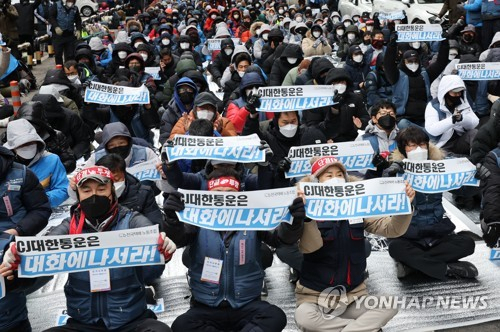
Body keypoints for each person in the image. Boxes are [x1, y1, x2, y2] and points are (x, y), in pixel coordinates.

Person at [2, 165, 176, 332]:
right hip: (82, 322)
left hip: (130, 320)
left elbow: (153, 242)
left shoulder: (131, 221)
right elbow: (41, 254)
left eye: (101, 189)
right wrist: (19, 263)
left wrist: (163, 248)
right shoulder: (69, 227)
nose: (94, 195)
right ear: (78, 195)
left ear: (112, 192)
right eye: (86, 190)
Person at [163, 167, 305, 332]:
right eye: (218, 193)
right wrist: (172, 219)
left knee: (276, 316)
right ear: (208, 195)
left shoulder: (254, 218)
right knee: (182, 325)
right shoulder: (196, 219)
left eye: (230, 192)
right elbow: (178, 238)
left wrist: (293, 222)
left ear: (239, 195)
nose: (224, 197)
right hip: (206, 306)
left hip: (247, 304)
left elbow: (281, 239)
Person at [294, 156, 416, 331]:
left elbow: (392, 230)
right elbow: (309, 247)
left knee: (389, 304)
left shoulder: (359, 205)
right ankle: (362, 328)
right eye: (328, 175)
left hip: (352, 297)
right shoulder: (305, 210)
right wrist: (307, 218)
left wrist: (405, 207)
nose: (335, 178)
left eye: (339, 174)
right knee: (305, 318)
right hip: (315, 297)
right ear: (316, 181)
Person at [384, 127, 478, 280]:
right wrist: (388, 177)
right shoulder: (396, 170)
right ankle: (447, 268)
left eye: (422, 145)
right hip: (409, 236)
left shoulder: (440, 166)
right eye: (412, 145)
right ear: (403, 149)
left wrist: (477, 179)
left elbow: (464, 191)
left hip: (438, 235)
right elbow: (385, 199)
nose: (418, 149)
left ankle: (414, 266)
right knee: (396, 248)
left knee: (468, 243)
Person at [0, 145, 51, 332]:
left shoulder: (21, 174)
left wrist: (19, 231)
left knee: (10, 300)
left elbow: (41, 209)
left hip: (12, 247)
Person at [5, 119, 69, 207]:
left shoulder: (52, 160)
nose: (27, 146)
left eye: (30, 142)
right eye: (21, 145)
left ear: (37, 141)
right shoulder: (5, 165)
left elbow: (63, 189)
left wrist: (41, 198)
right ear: (13, 148)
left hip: (44, 208)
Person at [424, 75, 479, 156]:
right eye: (454, 92)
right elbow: (432, 130)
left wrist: (462, 119)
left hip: (459, 141)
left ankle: (476, 159)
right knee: (448, 157)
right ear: (446, 92)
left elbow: (475, 123)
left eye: (459, 92)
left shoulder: (462, 102)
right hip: (442, 145)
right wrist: (451, 120)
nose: (457, 95)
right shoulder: (433, 106)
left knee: (474, 133)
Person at [32, 94, 93, 161]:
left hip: (71, 154)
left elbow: (83, 141)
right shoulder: (32, 121)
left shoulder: (71, 117)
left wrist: (71, 157)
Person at [359, 100, 399, 179]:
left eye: (391, 114)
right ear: (374, 119)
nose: (388, 116)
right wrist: (374, 167)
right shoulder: (363, 139)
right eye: (383, 114)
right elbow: (359, 170)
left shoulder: (402, 138)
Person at [169, 92, 236, 139]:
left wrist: (221, 131)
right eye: (202, 108)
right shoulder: (185, 121)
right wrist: (186, 130)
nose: (206, 111)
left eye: (210, 108)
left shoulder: (224, 122)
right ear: (195, 108)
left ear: (215, 110)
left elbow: (235, 143)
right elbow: (171, 140)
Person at [159, 77, 198, 145]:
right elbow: (164, 138)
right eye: (182, 90)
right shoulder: (169, 114)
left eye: (189, 89)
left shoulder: (200, 111)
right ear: (177, 93)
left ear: (194, 92)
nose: (186, 92)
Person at [49, 0, 82, 65]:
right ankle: (60, 71)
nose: (71, 2)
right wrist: (56, 27)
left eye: (72, 1)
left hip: (69, 35)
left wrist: (78, 30)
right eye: (69, 1)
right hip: (58, 35)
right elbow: (51, 17)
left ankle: (69, 71)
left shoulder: (75, 8)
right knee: (58, 55)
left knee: (70, 55)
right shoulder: (56, 5)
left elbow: (78, 20)